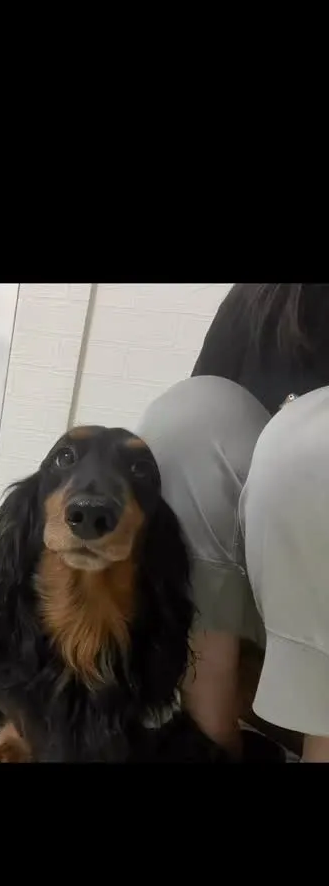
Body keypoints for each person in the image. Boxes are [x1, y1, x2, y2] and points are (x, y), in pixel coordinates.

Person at [138, 284, 329, 763]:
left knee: (316, 441)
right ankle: (208, 741)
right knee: (190, 415)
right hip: (259, 629)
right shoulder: (263, 299)